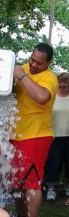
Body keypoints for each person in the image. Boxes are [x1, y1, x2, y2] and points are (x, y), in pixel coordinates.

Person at [11, 43, 59, 217]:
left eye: (39, 63)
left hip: (37, 135)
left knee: (31, 181)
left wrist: (22, 76)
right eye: (32, 59)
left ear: (48, 63)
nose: (33, 65)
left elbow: (41, 97)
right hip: (16, 134)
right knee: (16, 182)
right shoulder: (21, 68)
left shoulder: (50, 77)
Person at [44, 72, 69, 204]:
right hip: (54, 136)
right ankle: (51, 188)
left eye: (65, 82)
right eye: (60, 82)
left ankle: (68, 187)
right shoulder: (51, 97)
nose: (62, 84)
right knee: (53, 163)